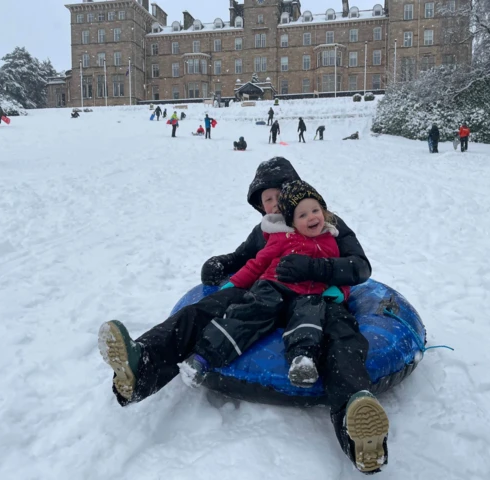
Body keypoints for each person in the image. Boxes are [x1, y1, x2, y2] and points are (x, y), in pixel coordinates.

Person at [97, 157, 388, 474]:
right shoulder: (265, 230)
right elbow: (243, 259)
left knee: (342, 338)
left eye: (279, 194)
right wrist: (220, 265)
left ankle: (355, 425)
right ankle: (141, 366)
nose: (274, 204)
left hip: (318, 298)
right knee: (202, 312)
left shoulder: (326, 221)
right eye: (267, 200)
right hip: (267, 292)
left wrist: (315, 268)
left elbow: (360, 267)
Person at [179, 180, 350, 390]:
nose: (312, 217)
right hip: (273, 287)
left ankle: (303, 360)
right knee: (251, 313)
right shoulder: (283, 238)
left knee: (310, 316)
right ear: (292, 222)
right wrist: (234, 283)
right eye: (302, 215)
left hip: (309, 293)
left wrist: (340, 291)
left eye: (315, 210)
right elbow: (257, 263)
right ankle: (202, 358)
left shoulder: (331, 242)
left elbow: (338, 273)